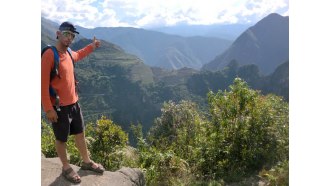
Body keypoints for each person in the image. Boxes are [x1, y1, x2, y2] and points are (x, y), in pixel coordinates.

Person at [41, 21, 105, 184]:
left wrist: (93, 46)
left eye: (72, 35)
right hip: (59, 107)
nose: (69, 38)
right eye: (66, 34)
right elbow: (41, 83)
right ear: (58, 34)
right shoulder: (50, 54)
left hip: (74, 104)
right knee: (61, 139)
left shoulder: (69, 53)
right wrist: (48, 109)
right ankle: (66, 167)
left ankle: (86, 162)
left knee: (80, 134)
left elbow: (79, 54)